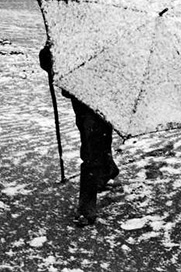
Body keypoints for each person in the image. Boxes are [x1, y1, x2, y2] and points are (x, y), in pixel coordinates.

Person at [39, 0, 121, 226]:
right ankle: (107, 167)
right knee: (90, 128)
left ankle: (88, 202)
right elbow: (64, 22)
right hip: (80, 70)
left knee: (93, 132)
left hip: (112, 71)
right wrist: (51, 51)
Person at [39, 44, 119, 226]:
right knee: (92, 142)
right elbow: (49, 58)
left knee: (95, 144)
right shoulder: (75, 33)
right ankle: (105, 173)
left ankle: (88, 206)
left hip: (106, 96)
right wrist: (49, 60)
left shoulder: (115, 36)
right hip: (82, 96)